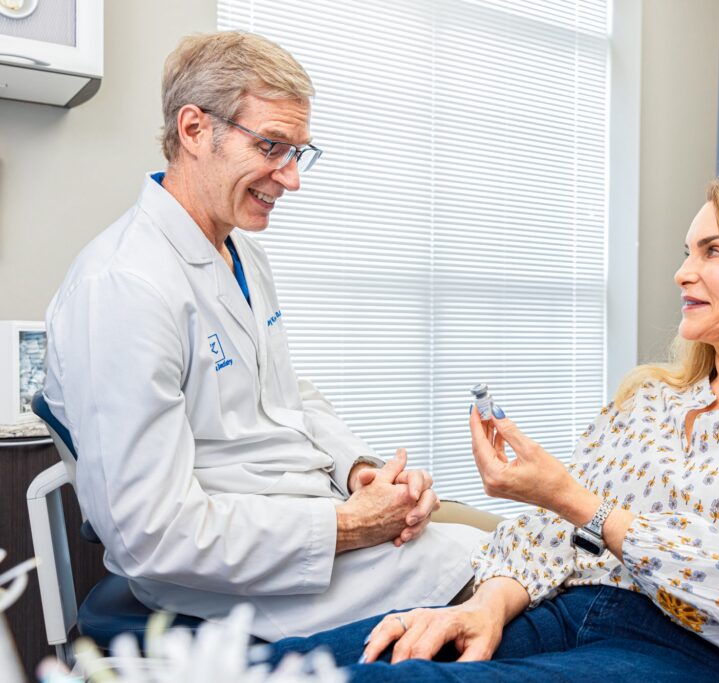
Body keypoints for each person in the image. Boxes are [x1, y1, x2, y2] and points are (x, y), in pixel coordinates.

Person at [265, 172, 719, 682]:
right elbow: (552, 535)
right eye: (686, 250)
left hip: (718, 659)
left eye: (712, 251)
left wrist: (581, 502)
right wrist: (487, 604)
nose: (682, 271)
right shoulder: (652, 397)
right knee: (295, 661)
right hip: (567, 612)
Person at [42, 31, 485, 641]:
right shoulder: (123, 286)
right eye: (272, 146)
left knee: (513, 545)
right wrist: (350, 526)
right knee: (513, 572)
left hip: (303, 514)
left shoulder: (242, 255)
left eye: (298, 152)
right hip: (231, 574)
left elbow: (284, 399)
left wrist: (357, 470)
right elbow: (150, 533)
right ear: (194, 130)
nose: (291, 178)